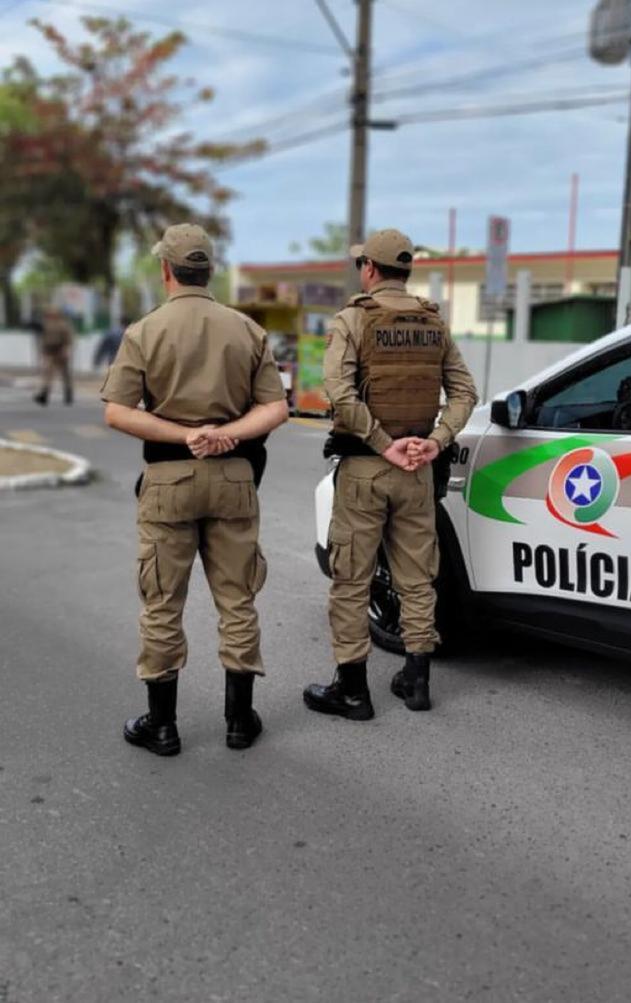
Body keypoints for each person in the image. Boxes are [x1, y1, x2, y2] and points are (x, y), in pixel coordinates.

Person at [101, 223, 289, 757]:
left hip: (167, 482)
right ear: (209, 272)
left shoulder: (144, 330)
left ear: (166, 271)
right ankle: (239, 720)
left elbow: (117, 411)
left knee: (162, 602)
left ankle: (161, 726)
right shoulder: (247, 330)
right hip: (233, 477)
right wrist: (225, 433)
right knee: (238, 600)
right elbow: (276, 408)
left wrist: (185, 434)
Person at [304, 229, 478, 719]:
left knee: (351, 579)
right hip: (418, 471)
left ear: (370, 270)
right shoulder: (433, 324)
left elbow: (339, 393)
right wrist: (434, 441)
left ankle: (353, 691)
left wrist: (383, 444)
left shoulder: (354, 319)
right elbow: (466, 393)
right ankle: (417, 681)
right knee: (418, 578)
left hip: (366, 468)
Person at [34, 306, 75, 406]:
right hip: (49, 351)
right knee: (47, 373)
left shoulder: (63, 325)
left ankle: (68, 393)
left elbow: (68, 339)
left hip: (60, 350)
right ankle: (44, 394)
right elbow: (43, 338)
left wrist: (66, 350)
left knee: (65, 374)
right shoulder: (45, 324)